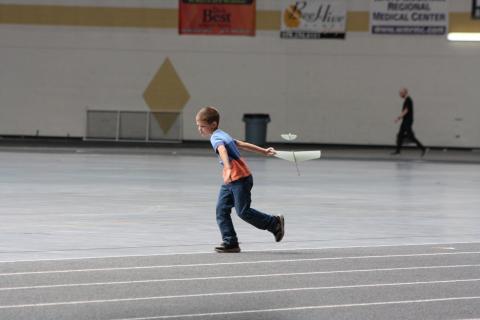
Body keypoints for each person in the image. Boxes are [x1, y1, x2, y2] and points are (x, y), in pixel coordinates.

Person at [195, 106, 285, 253]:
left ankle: (274, 223)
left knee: (243, 212)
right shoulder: (223, 134)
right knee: (221, 210)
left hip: (240, 178)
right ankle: (230, 242)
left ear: (213, 124)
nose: (200, 129)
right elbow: (241, 144)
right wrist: (263, 151)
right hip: (231, 180)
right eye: (198, 126)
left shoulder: (216, 137)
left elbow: (222, 151)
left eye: (202, 126)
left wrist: (228, 166)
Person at [392, 88, 426, 156]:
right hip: (405, 121)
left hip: (408, 121)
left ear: (405, 93)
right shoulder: (407, 100)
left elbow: (406, 110)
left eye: (401, 93)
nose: (400, 95)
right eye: (400, 93)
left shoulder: (408, 100)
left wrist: (398, 117)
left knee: (411, 137)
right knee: (400, 135)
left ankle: (423, 148)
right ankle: (398, 151)